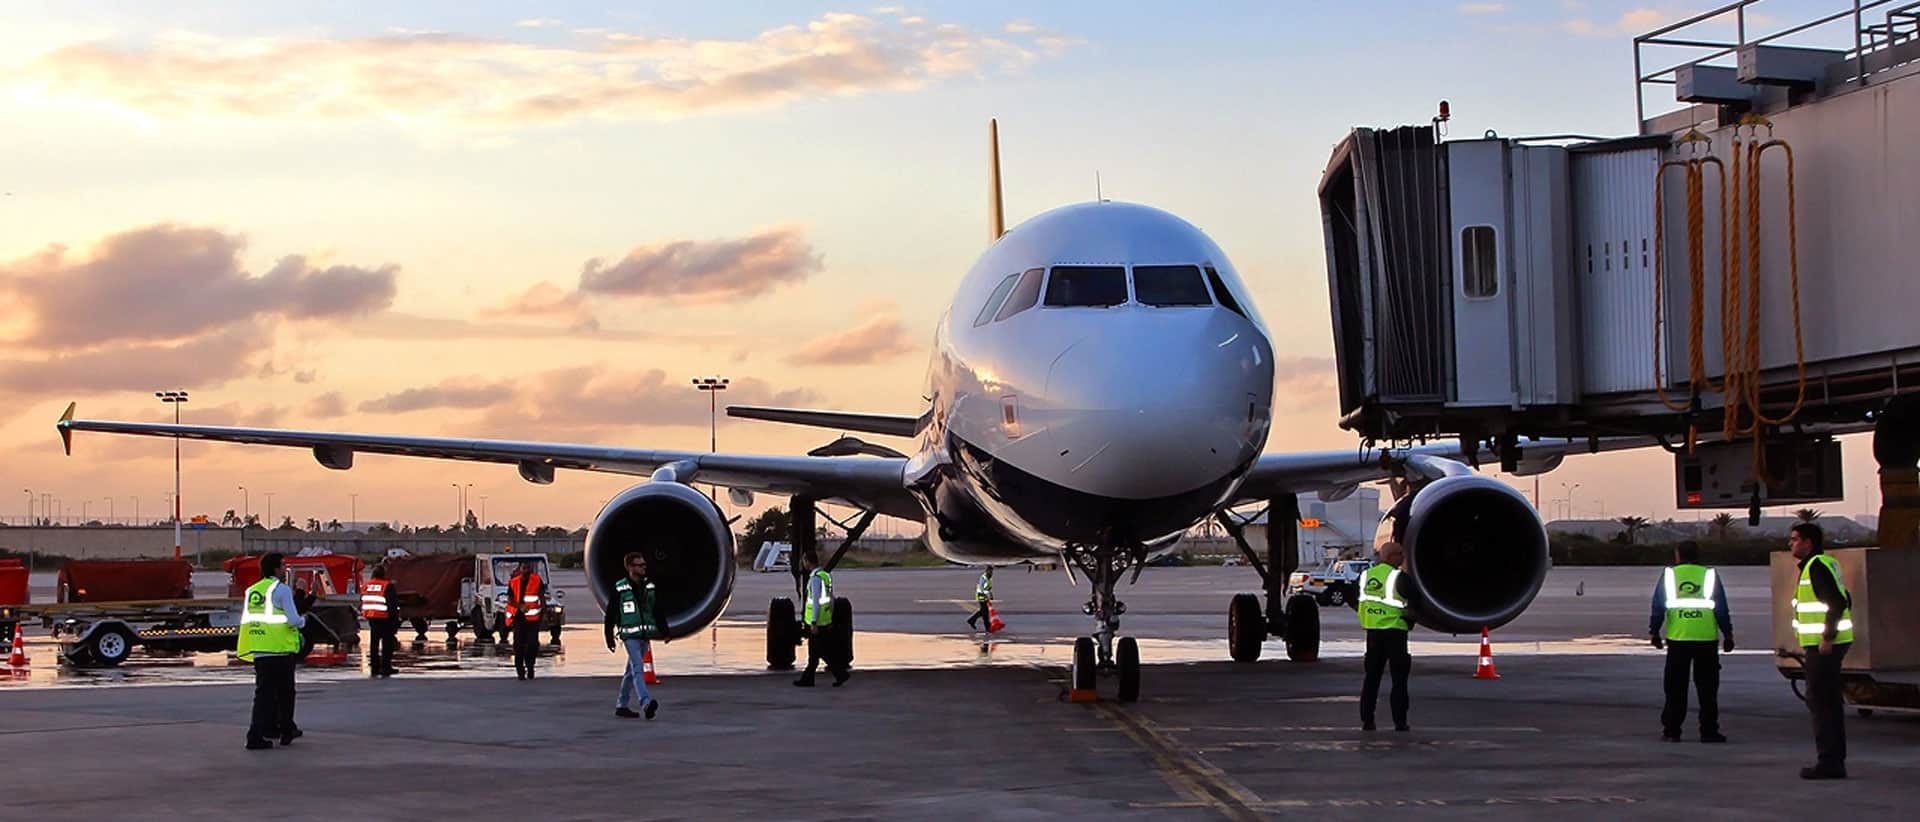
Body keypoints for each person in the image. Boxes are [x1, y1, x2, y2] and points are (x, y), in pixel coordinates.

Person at [1649, 540, 1733, 743]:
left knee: (1675, 688)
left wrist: (1654, 633)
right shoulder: (1709, 575)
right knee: (1707, 689)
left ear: (1678, 555)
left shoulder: (1669, 575)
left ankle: (1672, 731)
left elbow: (1658, 606)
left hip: (1678, 639)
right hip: (1706, 640)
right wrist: (1728, 634)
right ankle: (1709, 730)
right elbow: (1721, 608)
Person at [1789, 523, 1853, 779]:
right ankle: (1834, 759)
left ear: (1809, 543)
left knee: (1821, 702)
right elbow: (1846, 597)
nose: (1790, 544)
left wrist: (1827, 636)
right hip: (1827, 644)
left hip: (1823, 646)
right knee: (1829, 702)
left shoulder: (1816, 566)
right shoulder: (1824, 564)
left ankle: (1829, 762)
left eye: (1795, 539)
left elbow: (1836, 602)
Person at [238, 552, 307, 750]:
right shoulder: (281, 589)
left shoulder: (252, 590)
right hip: (280, 650)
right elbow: (293, 620)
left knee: (263, 696)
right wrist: (303, 622)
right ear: (276, 568)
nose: (285, 569)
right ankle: (286, 731)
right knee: (285, 694)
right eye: (283, 565)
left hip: (260, 650)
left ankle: (256, 734)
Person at [606, 551, 671, 719]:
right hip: (630, 635)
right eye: (640, 565)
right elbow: (611, 613)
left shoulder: (649, 586)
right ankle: (645, 702)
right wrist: (609, 636)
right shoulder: (620, 588)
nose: (644, 568)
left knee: (631, 671)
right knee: (637, 669)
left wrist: (665, 631)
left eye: (644, 565)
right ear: (630, 567)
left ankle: (622, 705)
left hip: (644, 634)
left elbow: (657, 609)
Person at [1357, 541, 1412, 732]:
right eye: (1400, 554)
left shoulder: (1366, 576)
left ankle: (1367, 720)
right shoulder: (1399, 577)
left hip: (1373, 634)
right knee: (1399, 681)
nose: (1403, 558)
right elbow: (1416, 602)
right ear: (1391, 557)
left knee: (1371, 678)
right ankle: (1400, 722)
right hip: (1395, 632)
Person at [794, 552, 848, 687]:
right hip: (825, 620)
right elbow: (831, 600)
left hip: (817, 622)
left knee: (821, 651)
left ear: (807, 561)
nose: (803, 564)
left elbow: (816, 602)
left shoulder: (815, 579)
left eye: (803, 561)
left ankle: (840, 674)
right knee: (815, 652)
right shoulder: (825, 576)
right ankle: (808, 678)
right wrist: (830, 618)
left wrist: (813, 622)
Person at [507, 560, 548, 680]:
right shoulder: (513, 582)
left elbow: (542, 598)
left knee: (532, 644)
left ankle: (530, 667)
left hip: (533, 619)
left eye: (528, 568)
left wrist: (544, 614)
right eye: (524, 568)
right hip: (518, 619)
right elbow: (510, 600)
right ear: (520, 569)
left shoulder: (536, 581)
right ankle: (520, 671)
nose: (526, 570)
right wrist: (520, 606)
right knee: (518, 646)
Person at [362, 564, 399, 678]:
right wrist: (395, 619)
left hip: (372, 617)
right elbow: (392, 604)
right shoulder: (387, 586)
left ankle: (374, 666)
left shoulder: (366, 585)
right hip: (385, 618)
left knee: (374, 643)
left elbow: (363, 600)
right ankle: (385, 667)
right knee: (387, 644)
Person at [967, 566, 994, 632]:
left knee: (983, 611)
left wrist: (990, 594)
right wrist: (987, 594)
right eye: (990, 571)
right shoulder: (983, 578)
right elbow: (981, 589)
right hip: (981, 595)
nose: (991, 572)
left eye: (992, 571)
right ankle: (988, 627)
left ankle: (972, 620)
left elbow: (989, 587)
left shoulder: (989, 578)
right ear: (987, 571)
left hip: (985, 595)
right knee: (985, 612)